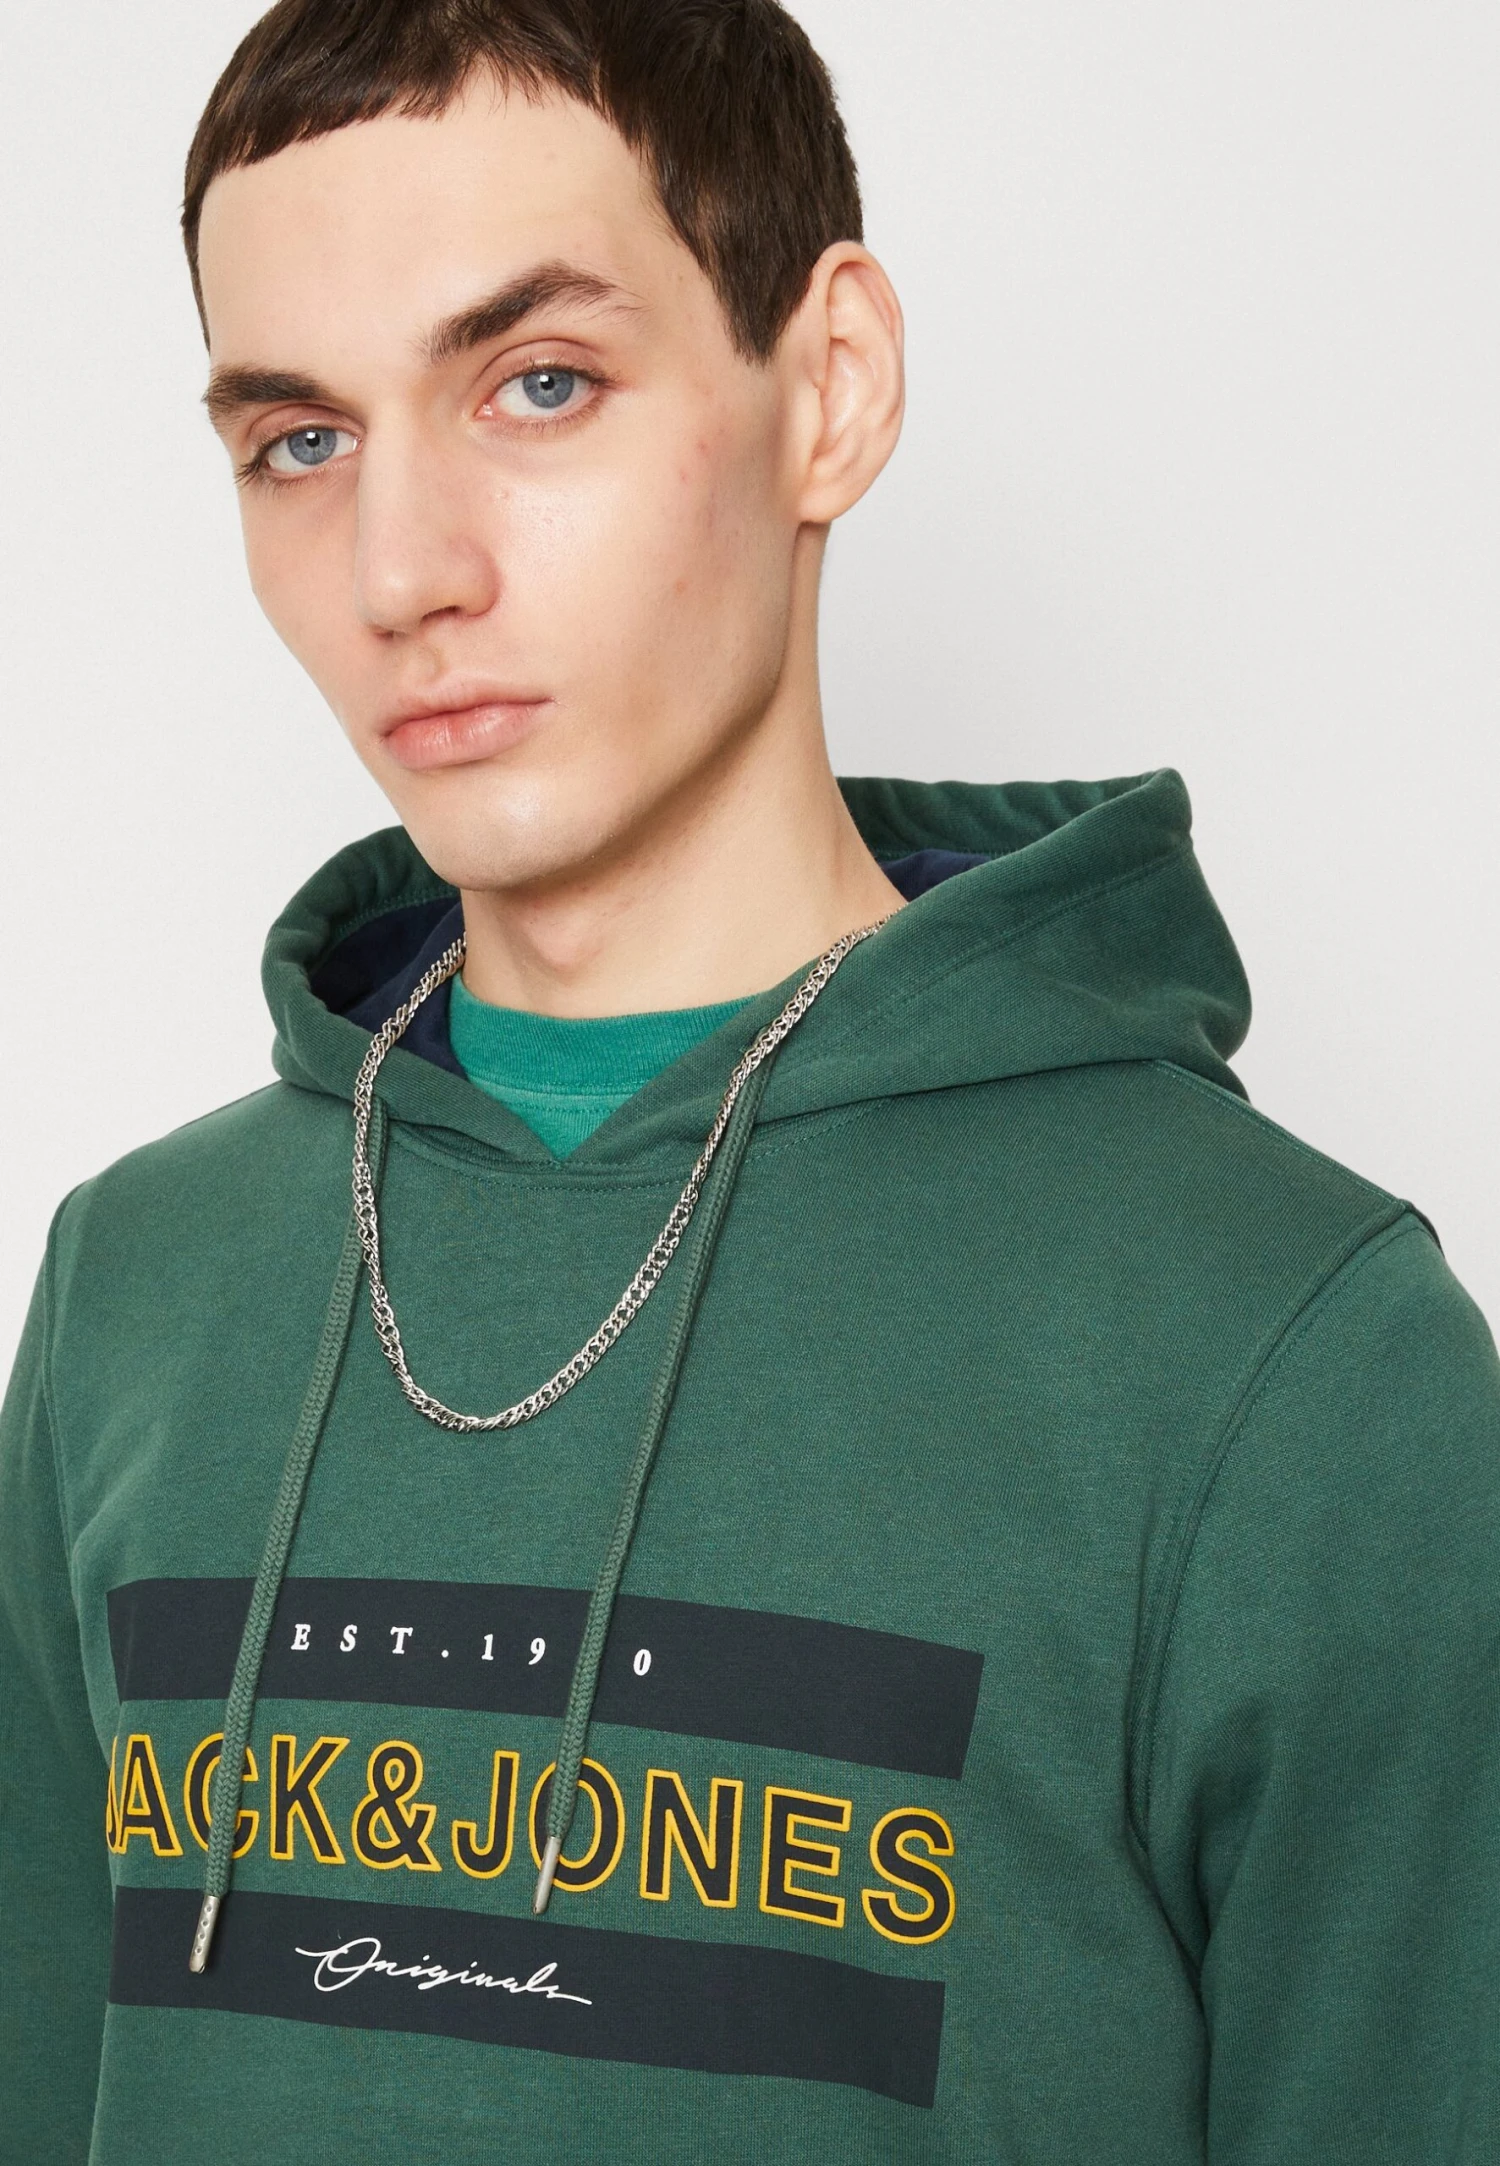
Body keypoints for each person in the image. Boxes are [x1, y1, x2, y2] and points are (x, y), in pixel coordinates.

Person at [3, 0, 1498, 2158]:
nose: (403, 570)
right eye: (301, 439)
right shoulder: (134, 1291)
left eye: (539, 383)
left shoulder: (1293, 1354)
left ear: (832, 389)